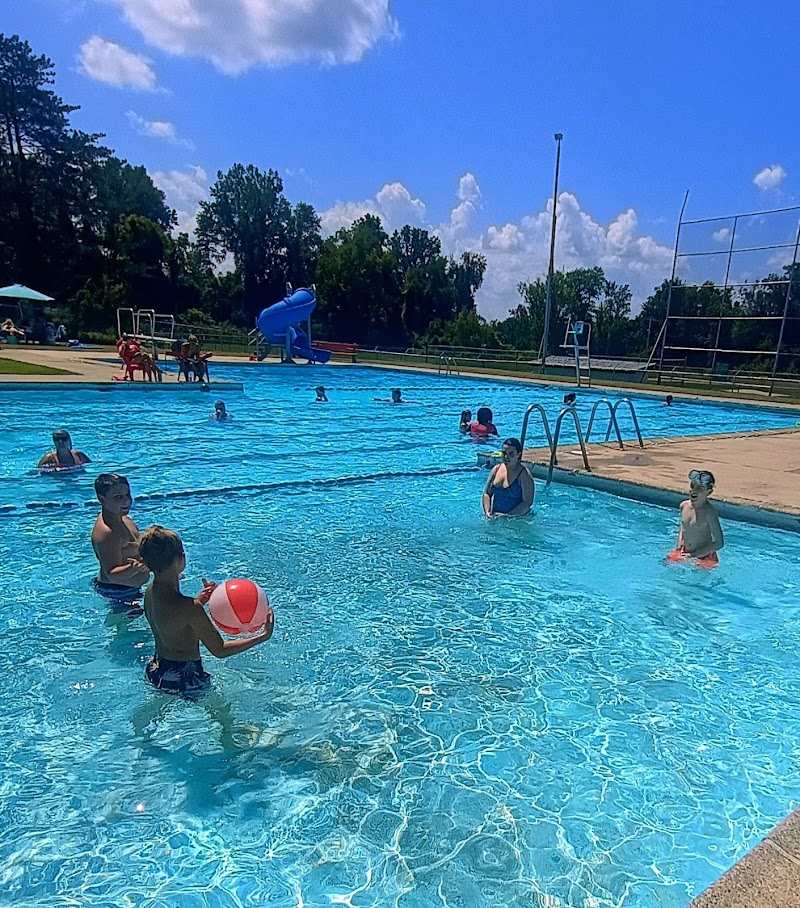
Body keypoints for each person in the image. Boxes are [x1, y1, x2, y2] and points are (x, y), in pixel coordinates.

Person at [138, 525, 274, 696]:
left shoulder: (150, 592)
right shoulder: (189, 607)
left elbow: (174, 620)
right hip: (186, 678)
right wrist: (263, 636)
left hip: (157, 669)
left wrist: (201, 599)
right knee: (223, 717)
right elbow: (220, 650)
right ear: (179, 560)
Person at [91, 473, 151, 609]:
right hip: (118, 593)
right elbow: (111, 574)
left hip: (129, 589)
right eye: (118, 497)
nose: (126, 501)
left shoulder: (123, 518)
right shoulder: (108, 533)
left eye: (127, 495)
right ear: (102, 499)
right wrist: (135, 568)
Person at [668, 469, 725, 567]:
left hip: (704, 557)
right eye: (693, 486)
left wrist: (694, 555)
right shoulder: (684, 506)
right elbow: (683, 528)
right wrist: (678, 549)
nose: (694, 490)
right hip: (684, 552)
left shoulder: (709, 513)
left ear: (709, 492)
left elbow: (719, 543)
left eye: (700, 488)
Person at [482, 438, 535, 518]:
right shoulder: (496, 470)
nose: (506, 457)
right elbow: (487, 493)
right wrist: (487, 512)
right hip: (497, 517)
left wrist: (507, 516)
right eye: (504, 453)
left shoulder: (524, 475)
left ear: (518, 454)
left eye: (511, 454)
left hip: (518, 520)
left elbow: (527, 503)